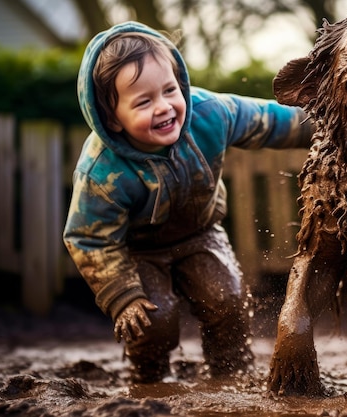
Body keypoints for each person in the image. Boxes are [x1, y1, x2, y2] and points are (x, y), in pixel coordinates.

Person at [63, 21, 313, 383]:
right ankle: (147, 376)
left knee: (225, 297)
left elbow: (272, 122)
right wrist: (123, 296)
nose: (164, 107)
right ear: (112, 119)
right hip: (137, 251)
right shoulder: (101, 171)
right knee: (153, 317)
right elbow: (88, 237)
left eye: (170, 90)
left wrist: (329, 123)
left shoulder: (210, 113)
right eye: (144, 101)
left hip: (200, 233)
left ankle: (232, 370)